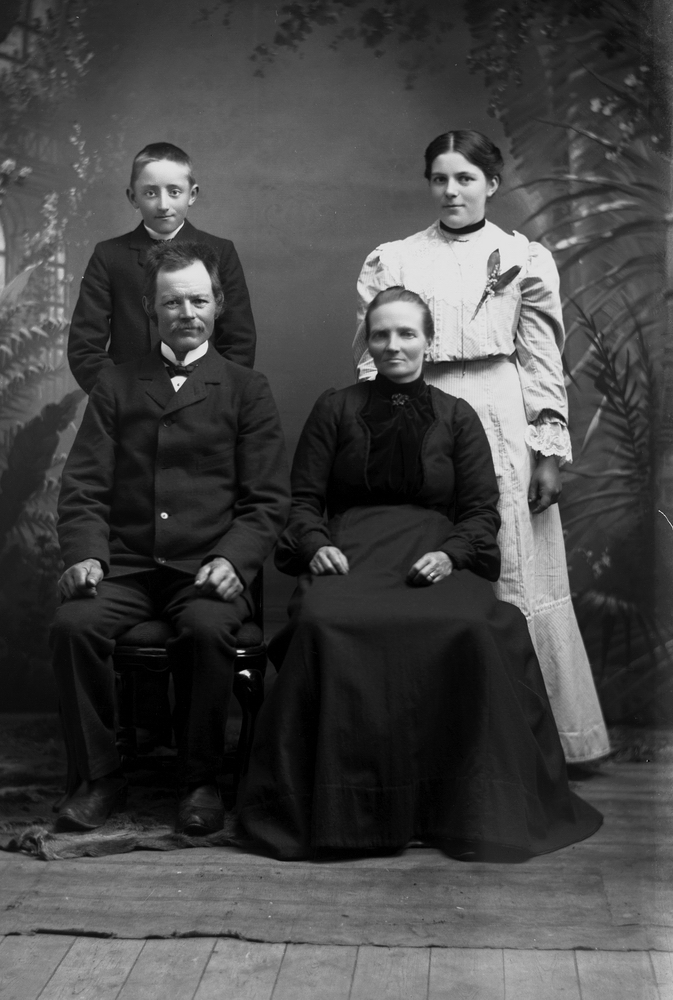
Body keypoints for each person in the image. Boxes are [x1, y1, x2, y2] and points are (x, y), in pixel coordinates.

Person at [238, 288, 603, 861]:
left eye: (407, 333)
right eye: (381, 334)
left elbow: (480, 510)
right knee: (321, 624)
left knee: (471, 627)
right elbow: (304, 500)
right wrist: (315, 544)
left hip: (434, 556)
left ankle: (461, 809)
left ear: (428, 342)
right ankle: (345, 813)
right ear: (368, 342)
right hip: (352, 553)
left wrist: (453, 554)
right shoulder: (334, 408)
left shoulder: (458, 416)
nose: (393, 345)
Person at [352, 130, 609, 765]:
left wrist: (546, 452)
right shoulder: (395, 260)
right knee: (430, 551)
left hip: (502, 410)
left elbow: (542, 357)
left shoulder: (523, 257)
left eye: (465, 178)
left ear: (491, 184)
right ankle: (444, 742)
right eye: (440, 178)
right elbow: (372, 360)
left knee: (515, 563)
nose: (451, 191)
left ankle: (539, 741)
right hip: (421, 409)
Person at [51, 241, 289, 835]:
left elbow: (266, 500)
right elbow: (83, 486)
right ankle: (99, 778)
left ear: (218, 305)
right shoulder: (116, 384)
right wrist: (85, 555)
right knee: (73, 626)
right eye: (173, 302)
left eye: (198, 301)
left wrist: (234, 559)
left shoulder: (247, 388)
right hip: (126, 566)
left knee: (207, 629)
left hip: (205, 567)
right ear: (150, 310)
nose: (187, 313)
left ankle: (199, 780)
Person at [68, 142, 256, 394]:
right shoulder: (109, 255)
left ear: (192, 195)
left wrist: (212, 398)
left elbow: (239, 342)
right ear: (133, 197)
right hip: (129, 400)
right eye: (150, 193)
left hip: (206, 399)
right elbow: (84, 347)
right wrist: (120, 397)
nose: (163, 204)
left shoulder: (221, 251)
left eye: (175, 192)